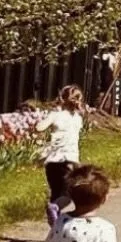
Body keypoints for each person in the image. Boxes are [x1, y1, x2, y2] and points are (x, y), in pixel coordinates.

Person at [35, 85, 85, 225]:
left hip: (52, 160)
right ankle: (54, 209)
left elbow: (39, 127)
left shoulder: (55, 115)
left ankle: (54, 226)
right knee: (67, 195)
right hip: (68, 160)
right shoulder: (77, 119)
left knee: (56, 193)